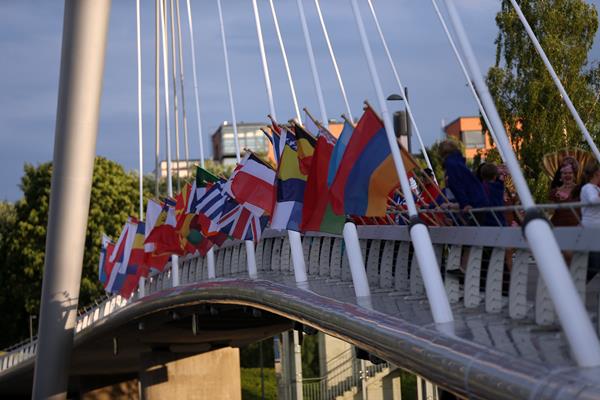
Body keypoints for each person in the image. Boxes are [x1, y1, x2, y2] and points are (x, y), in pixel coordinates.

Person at [438, 140, 488, 225]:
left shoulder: (451, 164)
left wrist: (465, 204)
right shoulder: (459, 161)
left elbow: (457, 185)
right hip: (479, 198)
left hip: (473, 201)